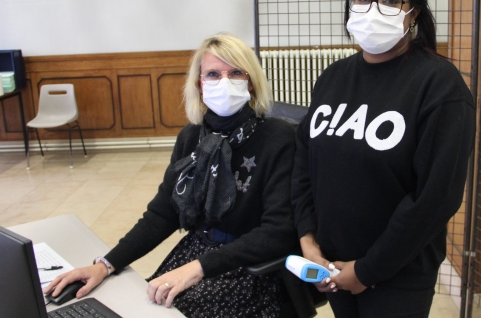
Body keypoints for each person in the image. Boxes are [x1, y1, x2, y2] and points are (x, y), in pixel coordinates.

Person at [45, 33, 298, 317]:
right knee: (140, 306)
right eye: (213, 74)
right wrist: (105, 264)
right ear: (199, 86)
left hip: (251, 268)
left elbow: (279, 231)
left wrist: (198, 269)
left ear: (250, 82)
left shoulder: (279, 138)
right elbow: (163, 212)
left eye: (236, 72)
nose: (224, 82)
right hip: (198, 253)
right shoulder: (192, 138)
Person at [290, 0, 476, 318]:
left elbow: (434, 198)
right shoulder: (332, 78)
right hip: (331, 267)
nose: (373, 8)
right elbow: (304, 166)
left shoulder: (440, 86)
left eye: (391, 0)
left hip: (397, 275)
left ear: (414, 13)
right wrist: (308, 239)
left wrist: (366, 271)